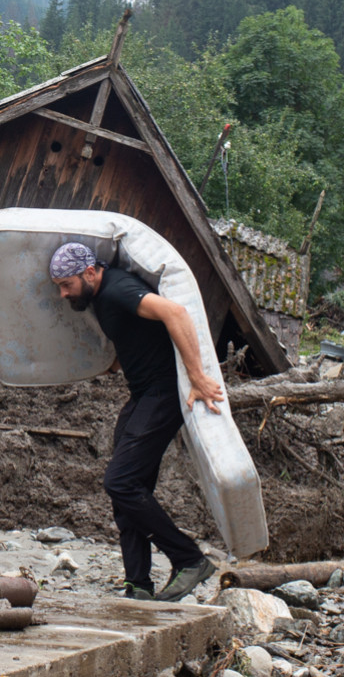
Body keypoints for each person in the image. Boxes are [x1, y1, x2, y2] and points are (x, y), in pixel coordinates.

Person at [48, 242, 223, 603]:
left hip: (163, 395)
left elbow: (175, 313)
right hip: (142, 395)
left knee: (120, 481)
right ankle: (138, 583)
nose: (64, 294)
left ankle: (190, 560)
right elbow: (133, 337)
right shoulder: (99, 296)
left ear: (90, 273)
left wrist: (196, 376)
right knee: (126, 490)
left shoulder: (117, 288)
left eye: (66, 285)